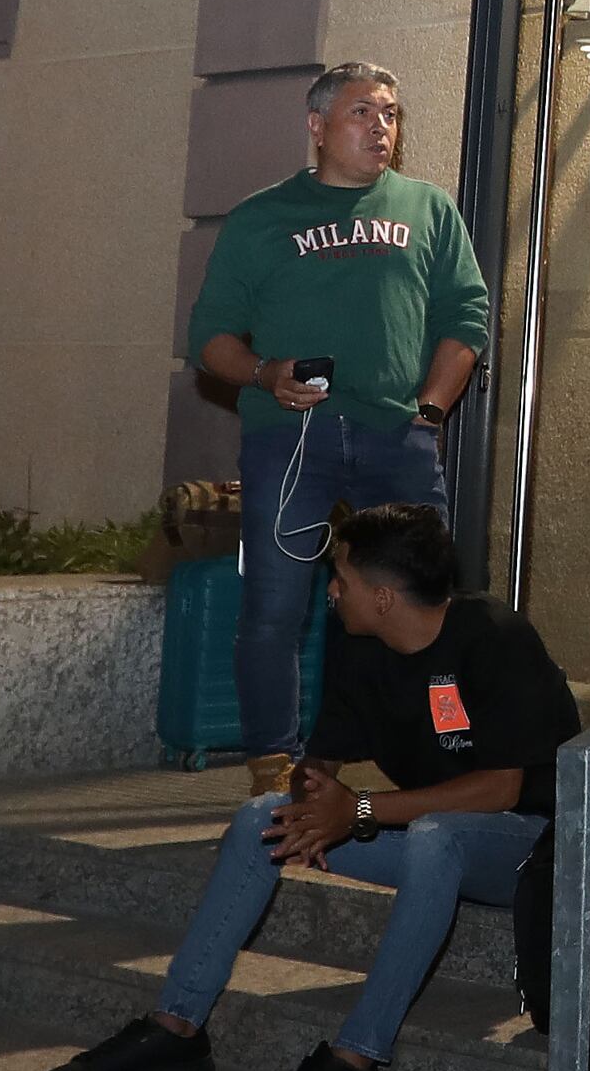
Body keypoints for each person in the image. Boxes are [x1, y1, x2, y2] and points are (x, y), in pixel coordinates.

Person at [39, 502, 577, 1071]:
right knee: (259, 818)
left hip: (527, 845)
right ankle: (176, 1027)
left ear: (383, 595)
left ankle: (355, 1062)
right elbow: (319, 764)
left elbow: (502, 787)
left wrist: (359, 810)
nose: (331, 589)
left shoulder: (495, 636)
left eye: (342, 576)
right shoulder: (361, 644)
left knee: (437, 835)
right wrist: (313, 792)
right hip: (430, 830)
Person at [190, 60, 491, 761]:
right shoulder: (261, 218)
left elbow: (467, 314)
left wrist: (432, 409)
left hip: (398, 437)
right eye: (362, 112)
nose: (380, 125)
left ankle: (448, 748)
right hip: (291, 440)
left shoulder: (427, 209)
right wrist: (266, 373)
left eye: (390, 112)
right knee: (275, 606)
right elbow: (208, 337)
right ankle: (274, 766)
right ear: (318, 126)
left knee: (427, 602)